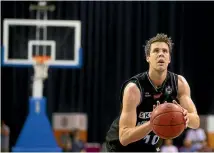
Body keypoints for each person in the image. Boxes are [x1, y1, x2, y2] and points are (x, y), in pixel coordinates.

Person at [104, 33, 200, 152]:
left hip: (150, 148)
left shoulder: (179, 83)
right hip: (119, 149)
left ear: (169, 58)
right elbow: (124, 137)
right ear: (148, 57)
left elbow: (196, 122)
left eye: (165, 51)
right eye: (156, 51)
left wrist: (185, 117)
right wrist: (153, 122)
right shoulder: (134, 88)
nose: (161, 54)